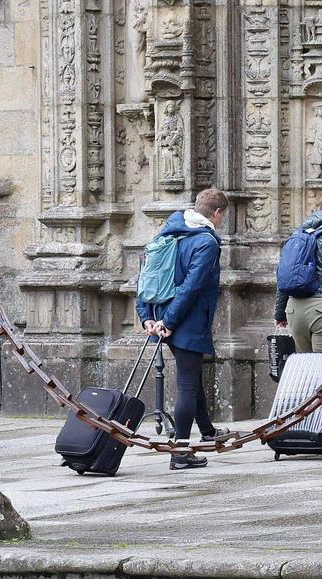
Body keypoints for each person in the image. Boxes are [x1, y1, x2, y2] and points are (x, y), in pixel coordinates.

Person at [138, 188, 229, 471]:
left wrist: (147, 317)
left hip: (163, 317)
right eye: (222, 216)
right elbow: (192, 287)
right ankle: (180, 452)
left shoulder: (168, 232)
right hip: (185, 321)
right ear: (216, 214)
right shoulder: (206, 242)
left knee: (192, 375)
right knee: (187, 385)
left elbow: (145, 277)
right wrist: (171, 321)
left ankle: (208, 431)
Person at [274, 190, 322, 352]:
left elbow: (284, 274)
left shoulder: (298, 234)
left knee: (305, 372)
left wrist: (280, 313)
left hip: (294, 310)